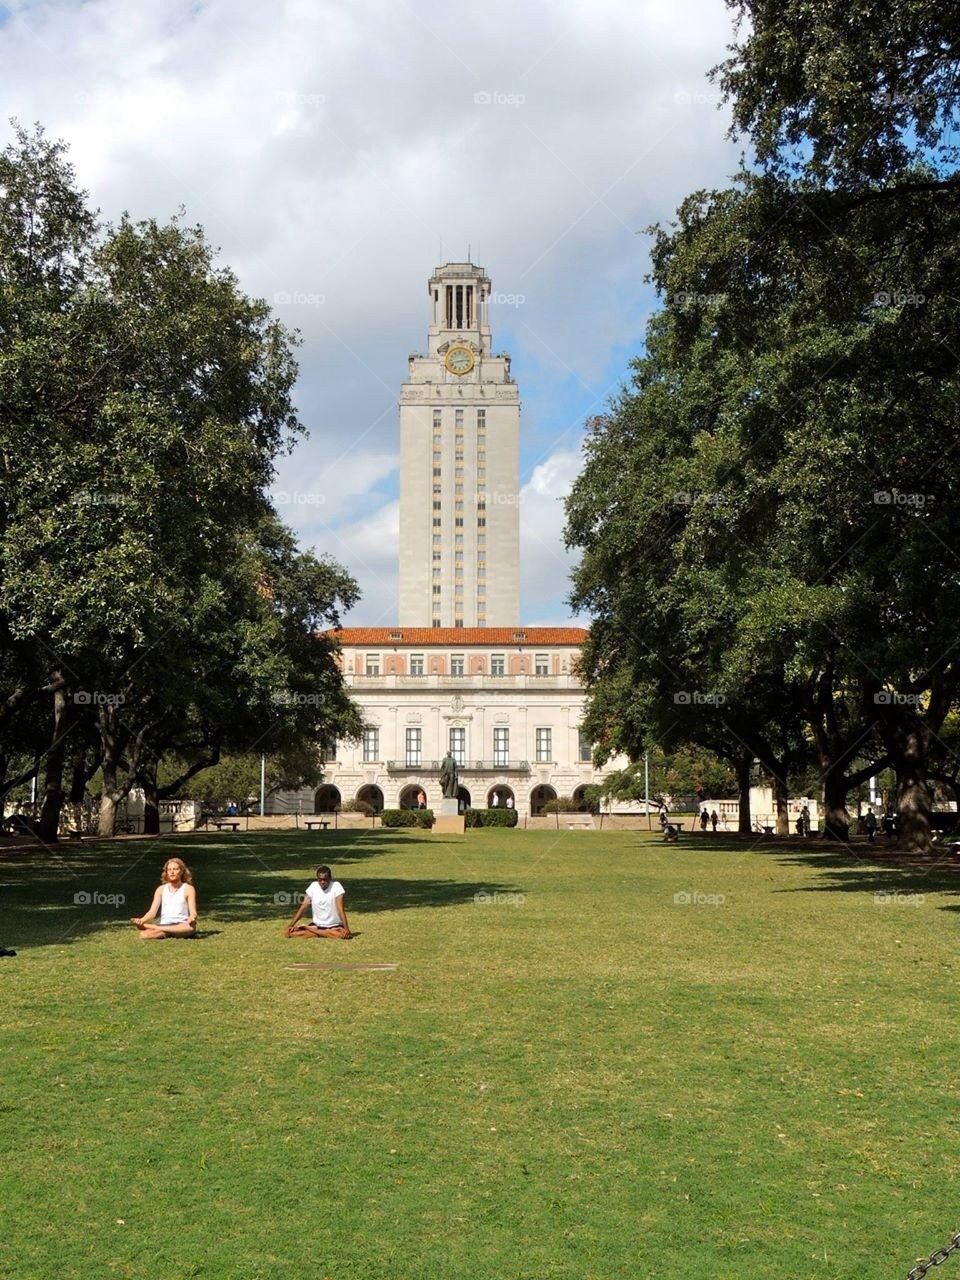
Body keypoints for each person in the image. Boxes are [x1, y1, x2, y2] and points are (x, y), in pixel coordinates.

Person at [131, 858, 198, 940]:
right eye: (169, 870)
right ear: (166, 872)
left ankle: (155, 928)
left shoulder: (188, 888)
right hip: (165, 924)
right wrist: (142, 920)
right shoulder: (161, 889)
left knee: (190, 928)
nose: (172, 872)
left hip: (182, 924)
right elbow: (152, 913)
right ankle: (170, 932)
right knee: (144, 935)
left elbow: (193, 912)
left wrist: (192, 918)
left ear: (181, 871)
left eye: (175, 869)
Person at [285, 865, 352, 939]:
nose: (322, 882)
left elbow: (340, 909)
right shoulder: (313, 886)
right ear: (317, 879)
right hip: (317, 925)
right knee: (291, 933)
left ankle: (308, 928)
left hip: (334, 926)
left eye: (325, 879)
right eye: (320, 880)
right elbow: (303, 907)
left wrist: (346, 929)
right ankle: (321, 932)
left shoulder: (336, 886)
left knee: (341, 935)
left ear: (330, 878)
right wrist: (291, 925)